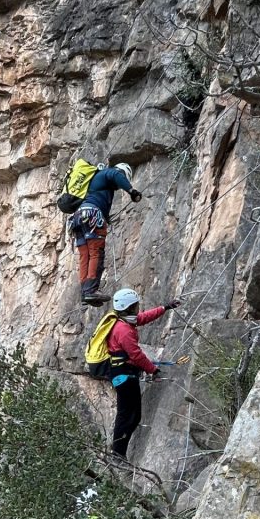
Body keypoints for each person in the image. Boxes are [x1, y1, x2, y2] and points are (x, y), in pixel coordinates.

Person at [107, 287, 181, 458]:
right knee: (128, 415)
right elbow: (136, 354)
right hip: (124, 375)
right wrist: (153, 370)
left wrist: (165, 307)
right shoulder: (124, 330)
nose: (138, 308)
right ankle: (117, 454)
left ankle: (118, 452)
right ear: (130, 307)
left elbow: (144, 317)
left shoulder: (124, 322)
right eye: (136, 305)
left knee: (132, 416)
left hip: (123, 373)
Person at [69, 163, 142, 305]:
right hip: (92, 216)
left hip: (78, 218)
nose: (118, 187)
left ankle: (85, 291)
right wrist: (131, 190)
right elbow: (115, 175)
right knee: (96, 252)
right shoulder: (108, 173)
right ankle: (91, 290)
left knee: (85, 255)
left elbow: (97, 199)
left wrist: (106, 218)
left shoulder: (96, 182)